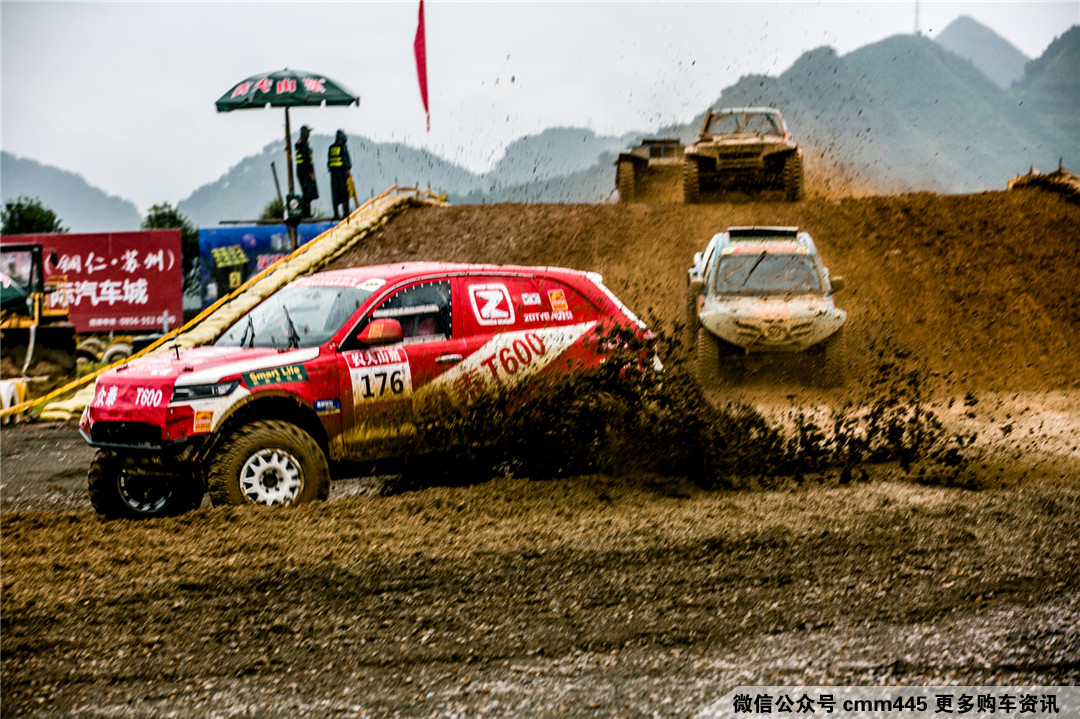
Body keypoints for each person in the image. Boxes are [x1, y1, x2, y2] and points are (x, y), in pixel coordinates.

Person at [327, 129, 353, 220]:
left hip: (333, 175)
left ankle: (336, 214)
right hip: (342, 174)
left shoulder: (331, 148)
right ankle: (345, 213)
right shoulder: (343, 147)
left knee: (335, 193)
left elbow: (329, 162)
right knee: (344, 193)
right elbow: (346, 160)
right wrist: (348, 170)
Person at [295, 125, 318, 218]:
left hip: (301, 170)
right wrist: (311, 173)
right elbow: (307, 160)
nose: (309, 135)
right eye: (307, 132)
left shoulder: (299, 143)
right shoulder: (303, 144)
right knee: (308, 192)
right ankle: (304, 213)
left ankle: (306, 213)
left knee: (307, 192)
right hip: (305, 170)